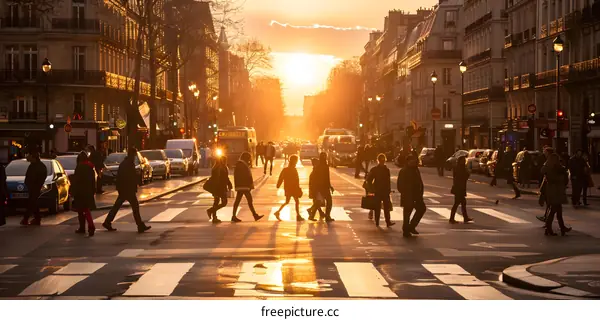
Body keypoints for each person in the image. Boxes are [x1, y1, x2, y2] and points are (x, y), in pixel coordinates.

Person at [102, 147, 151, 233]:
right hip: (128, 189)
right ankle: (140, 225)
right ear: (132, 154)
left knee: (117, 206)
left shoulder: (125, 163)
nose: (135, 156)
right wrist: (135, 184)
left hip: (124, 189)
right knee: (135, 207)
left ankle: (107, 222)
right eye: (135, 155)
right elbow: (130, 177)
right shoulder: (129, 164)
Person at [542, 153, 572, 236]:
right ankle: (549, 228)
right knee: (554, 210)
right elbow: (558, 179)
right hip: (555, 192)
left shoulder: (549, 168)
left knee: (558, 210)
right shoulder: (554, 169)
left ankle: (561, 227)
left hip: (554, 191)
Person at [397, 155, 426, 237]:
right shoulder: (404, 171)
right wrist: (406, 193)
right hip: (408, 196)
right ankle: (406, 230)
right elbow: (400, 185)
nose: (413, 162)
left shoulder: (416, 170)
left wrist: (420, 192)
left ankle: (411, 226)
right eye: (411, 161)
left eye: (414, 161)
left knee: (421, 209)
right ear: (408, 162)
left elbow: (419, 182)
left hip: (417, 196)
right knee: (407, 214)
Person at [232, 152, 264, 222]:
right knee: (249, 200)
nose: (250, 160)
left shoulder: (241, 164)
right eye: (249, 158)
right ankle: (255, 215)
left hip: (241, 185)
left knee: (238, 201)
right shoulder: (242, 164)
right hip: (244, 186)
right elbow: (246, 176)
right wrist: (249, 185)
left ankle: (234, 216)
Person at [366, 154, 395, 228]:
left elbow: (369, 180)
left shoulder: (379, 169)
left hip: (381, 191)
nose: (382, 162)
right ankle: (382, 222)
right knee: (381, 207)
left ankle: (383, 222)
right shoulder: (381, 170)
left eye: (383, 161)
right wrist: (373, 189)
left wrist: (372, 188)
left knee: (383, 207)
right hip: (380, 191)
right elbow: (369, 180)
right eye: (381, 161)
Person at [72, 152, 96, 236]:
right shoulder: (90, 167)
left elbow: (76, 180)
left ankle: (86, 227)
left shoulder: (79, 167)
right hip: (88, 191)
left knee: (81, 210)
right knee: (86, 209)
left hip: (80, 191)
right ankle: (89, 225)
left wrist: (73, 191)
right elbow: (93, 180)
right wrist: (93, 190)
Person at [274, 154, 304, 221]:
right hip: (292, 188)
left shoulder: (286, 169)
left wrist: (278, 184)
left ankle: (278, 212)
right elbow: (296, 180)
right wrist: (298, 188)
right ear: (294, 161)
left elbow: (281, 177)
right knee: (296, 201)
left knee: (288, 201)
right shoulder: (292, 169)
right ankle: (298, 216)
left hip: (288, 188)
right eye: (296, 160)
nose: (296, 162)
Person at [22, 150, 47, 226]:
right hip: (32, 187)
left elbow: (40, 177)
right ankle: (37, 219)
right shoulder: (33, 165)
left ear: (33, 157)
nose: (27, 157)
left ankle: (26, 219)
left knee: (32, 202)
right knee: (33, 203)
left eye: (29, 155)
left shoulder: (40, 166)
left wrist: (35, 184)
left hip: (35, 187)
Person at [207, 156, 232, 224]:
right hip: (220, 188)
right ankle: (210, 211)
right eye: (225, 160)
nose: (226, 161)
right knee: (224, 202)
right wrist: (229, 185)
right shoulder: (222, 168)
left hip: (216, 188)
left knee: (216, 202)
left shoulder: (215, 167)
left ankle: (214, 217)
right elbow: (225, 178)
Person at [449, 156, 474, 224]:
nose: (464, 161)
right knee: (457, 203)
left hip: (459, 188)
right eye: (463, 160)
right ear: (460, 161)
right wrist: (468, 173)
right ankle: (452, 218)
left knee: (462, 203)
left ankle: (464, 218)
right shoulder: (460, 168)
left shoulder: (459, 167)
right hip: (459, 188)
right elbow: (463, 177)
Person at [315, 152, 335, 222]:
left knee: (319, 201)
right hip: (324, 186)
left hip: (319, 186)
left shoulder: (317, 166)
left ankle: (322, 214)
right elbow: (327, 178)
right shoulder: (325, 166)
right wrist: (329, 186)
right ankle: (327, 216)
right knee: (329, 201)